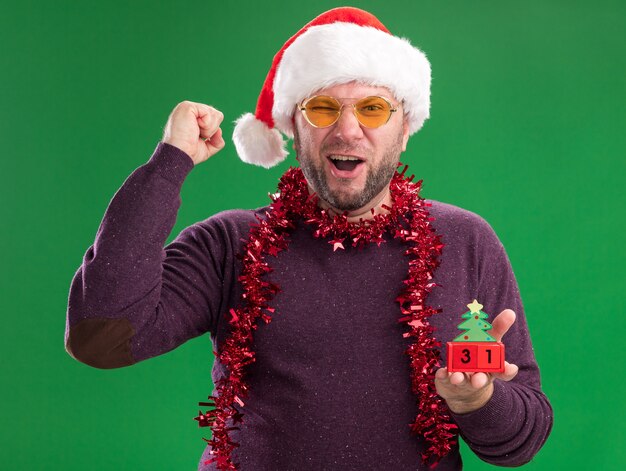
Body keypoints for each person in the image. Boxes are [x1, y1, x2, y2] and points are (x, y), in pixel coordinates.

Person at [65, 7, 552, 470]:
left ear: (405, 128)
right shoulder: (231, 243)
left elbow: (521, 443)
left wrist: (478, 400)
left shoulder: (466, 241)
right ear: (292, 129)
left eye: (373, 108)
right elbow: (101, 336)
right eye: (321, 109)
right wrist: (170, 163)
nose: (346, 130)